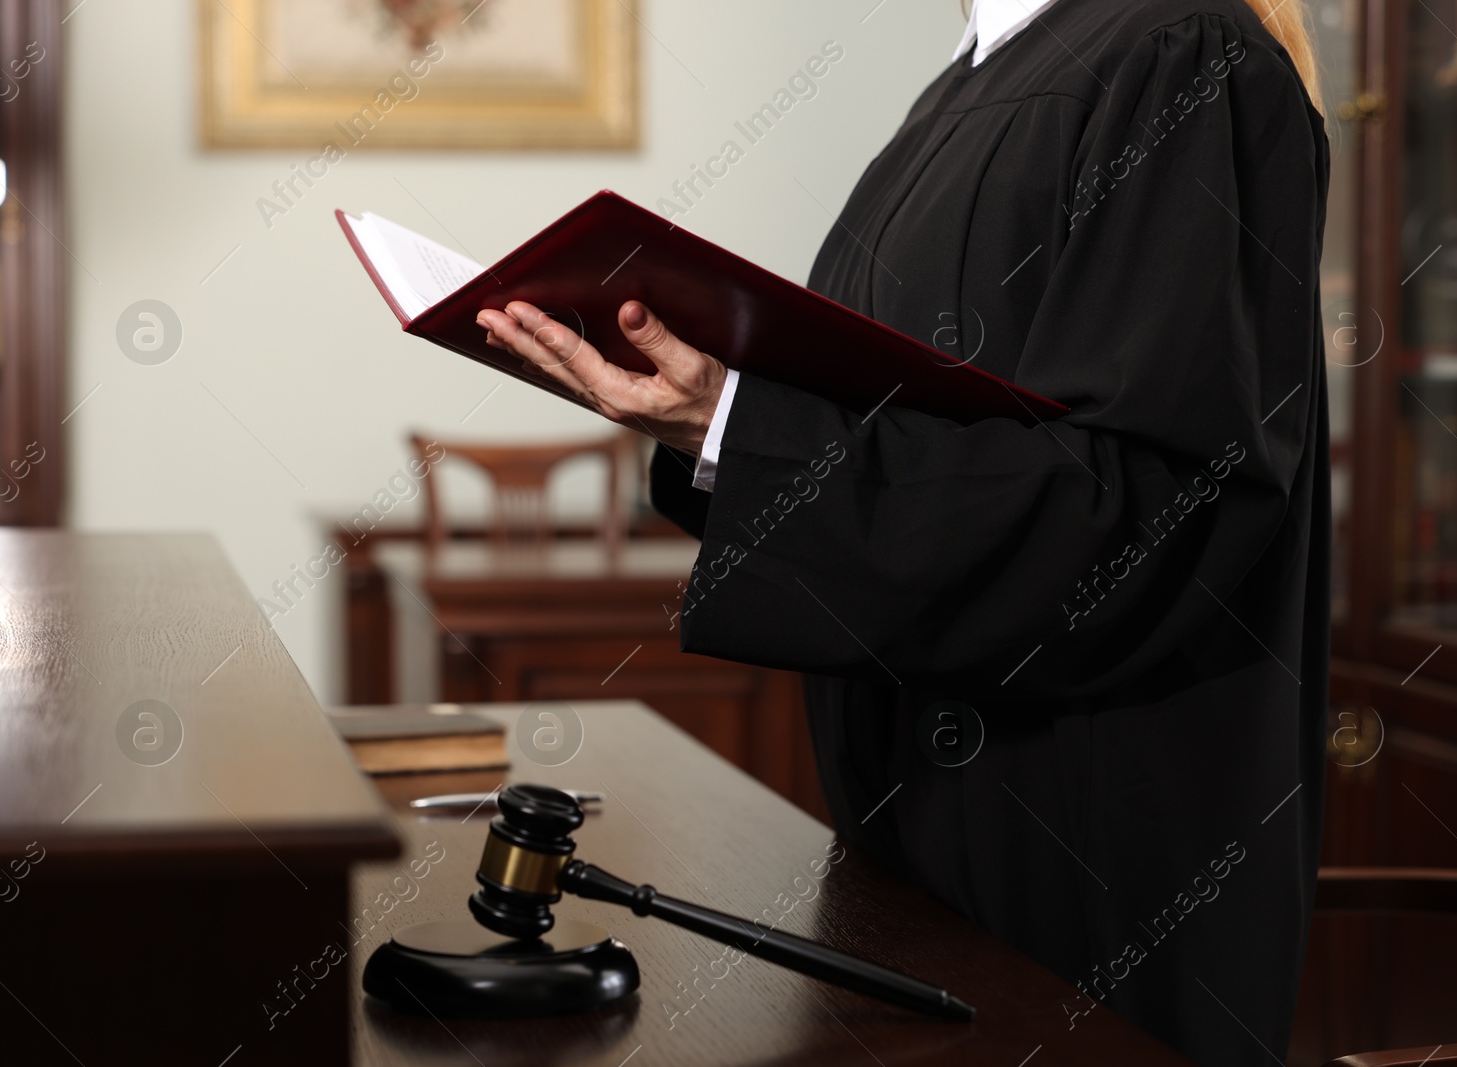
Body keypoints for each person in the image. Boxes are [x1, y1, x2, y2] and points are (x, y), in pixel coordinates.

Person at [477, 1, 1328, 1062]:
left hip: (1076, 837)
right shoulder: (967, 81)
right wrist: (719, 417)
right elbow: (909, 426)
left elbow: (1146, 506)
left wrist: (735, 424)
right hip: (911, 829)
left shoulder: (1180, 52)